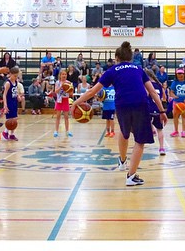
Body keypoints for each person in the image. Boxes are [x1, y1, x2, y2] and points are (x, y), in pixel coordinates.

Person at [70, 41, 167, 187]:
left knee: (124, 131)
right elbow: (153, 92)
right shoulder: (139, 69)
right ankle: (131, 176)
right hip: (140, 104)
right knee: (139, 142)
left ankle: (122, 161)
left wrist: (76, 102)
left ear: (116, 58)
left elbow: (92, 91)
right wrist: (162, 111)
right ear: (131, 57)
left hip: (122, 105)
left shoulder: (112, 70)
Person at [145, 69, 167, 156]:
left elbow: (146, 95)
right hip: (158, 109)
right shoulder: (159, 85)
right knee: (160, 130)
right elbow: (164, 97)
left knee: (144, 123)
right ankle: (162, 148)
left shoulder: (147, 84)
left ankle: (151, 130)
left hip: (149, 108)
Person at [169, 68, 185, 138]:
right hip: (176, 102)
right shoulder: (175, 82)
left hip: (184, 102)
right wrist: (174, 96)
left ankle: (183, 131)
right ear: (176, 75)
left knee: (184, 116)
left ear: (184, 74)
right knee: (175, 116)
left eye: (181, 74)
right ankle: (176, 131)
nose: (180, 75)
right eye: (178, 74)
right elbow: (171, 92)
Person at [2, 66, 23, 141]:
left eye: (17, 76)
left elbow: (15, 91)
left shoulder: (16, 82)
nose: (16, 77)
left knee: (15, 119)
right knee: (10, 120)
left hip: (14, 101)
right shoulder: (8, 83)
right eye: (14, 76)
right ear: (10, 74)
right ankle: (5, 132)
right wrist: (5, 105)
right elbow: (4, 94)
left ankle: (12, 134)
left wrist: (18, 96)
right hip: (9, 102)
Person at [53, 70, 73, 138]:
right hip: (59, 100)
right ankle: (56, 131)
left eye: (65, 74)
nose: (64, 75)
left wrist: (69, 89)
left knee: (66, 117)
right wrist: (61, 87)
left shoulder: (69, 83)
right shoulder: (57, 82)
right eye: (63, 74)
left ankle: (67, 131)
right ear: (60, 75)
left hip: (65, 100)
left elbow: (71, 94)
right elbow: (56, 91)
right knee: (58, 116)